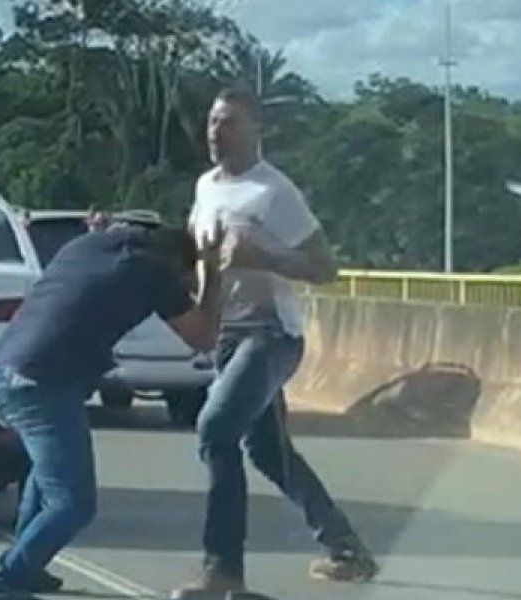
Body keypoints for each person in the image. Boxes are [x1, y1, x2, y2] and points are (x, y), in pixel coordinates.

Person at [171, 87, 379, 598]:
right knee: (267, 450)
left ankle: (223, 571)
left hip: (270, 335)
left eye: (230, 123)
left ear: (256, 130)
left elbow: (324, 268)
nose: (216, 132)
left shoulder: (275, 192)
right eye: (213, 122)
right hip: (227, 333)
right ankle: (345, 545)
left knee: (215, 428)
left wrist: (267, 259)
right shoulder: (205, 187)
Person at [0, 221, 226, 600]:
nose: (185, 289)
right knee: (73, 502)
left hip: (2, 372)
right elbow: (203, 338)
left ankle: (30, 566)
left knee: (46, 479)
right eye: (185, 279)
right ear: (178, 262)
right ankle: (6, 581)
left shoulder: (87, 245)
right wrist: (213, 275)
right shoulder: (153, 270)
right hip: (41, 384)